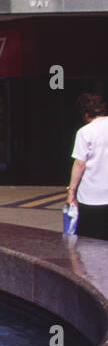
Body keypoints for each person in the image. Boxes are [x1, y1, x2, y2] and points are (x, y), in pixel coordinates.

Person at [67, 93, 108, 241]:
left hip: (91, 196)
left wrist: (71, 191)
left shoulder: (85, 132)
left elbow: (80, 163)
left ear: (85, 114)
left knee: (90, 240)